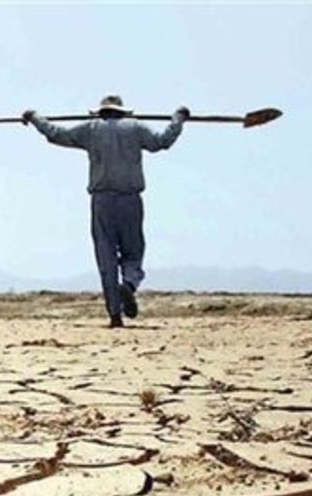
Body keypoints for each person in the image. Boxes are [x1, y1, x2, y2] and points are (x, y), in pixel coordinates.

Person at [23, 95, 190, 327]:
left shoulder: (91, 129)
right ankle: (129, 285)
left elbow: (56, 133)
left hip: (102, 202)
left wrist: (34, 117)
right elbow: (162, 141)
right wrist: (178, 118)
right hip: (130, 199)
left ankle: (114, 314)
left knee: (106, 257)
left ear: (101, 112)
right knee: (133, 252)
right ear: (122, 112)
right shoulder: (136, 127)